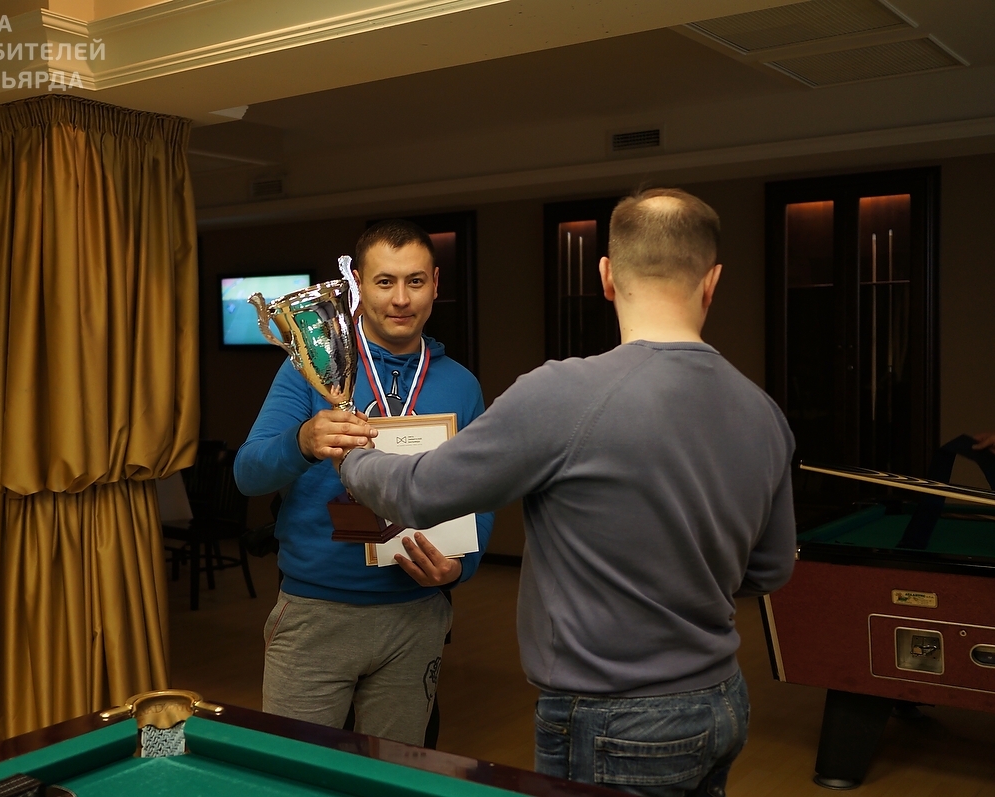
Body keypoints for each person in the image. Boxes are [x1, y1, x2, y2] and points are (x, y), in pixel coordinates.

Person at [336, 189, 797, 796]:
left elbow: (418, 493)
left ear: (606, 276)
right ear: (712, 282)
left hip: (613, 718)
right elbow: (768, 570)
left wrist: (352, 456)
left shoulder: (564, 393)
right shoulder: (763, 411)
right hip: (722, 703)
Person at [234, 219, 494, 747]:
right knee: (298, 773)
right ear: (357, 284)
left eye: (415, 281)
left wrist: (460, 567)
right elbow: (247, 473)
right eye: (384, 281)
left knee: (391, 773)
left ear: (435, 284)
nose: (401, 299)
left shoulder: (461, 385)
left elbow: (481, 493)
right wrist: (303, 440)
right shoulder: (310, 369)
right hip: (316, 614)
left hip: (416, 614)